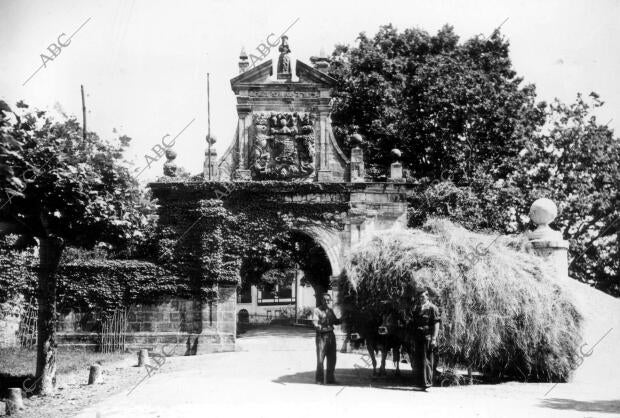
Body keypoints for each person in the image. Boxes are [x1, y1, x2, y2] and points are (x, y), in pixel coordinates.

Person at [412, 288, 440, 390]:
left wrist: (434, 339)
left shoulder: (432, 308)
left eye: (423, 296)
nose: (421, 298)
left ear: (427, 296)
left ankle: (427, 383)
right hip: (418, 337)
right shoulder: (417, 308)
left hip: (427, 337)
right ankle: (420, 383)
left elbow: (436, 324)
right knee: (419, 360)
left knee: (427, 360)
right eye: (419, 297)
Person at [312, 293, 341, 384]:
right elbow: (315, 321)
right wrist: (317, 326)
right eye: (325, 300)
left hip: (331, 336)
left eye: (328, 300)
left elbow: (336, 321)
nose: (326, 301)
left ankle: (330, 379)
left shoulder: (330, 311)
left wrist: (344, 318)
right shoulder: (317, 310)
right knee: (320, 359)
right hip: (321, 337)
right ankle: (319, 379)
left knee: (332, 358)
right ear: (322, 300)